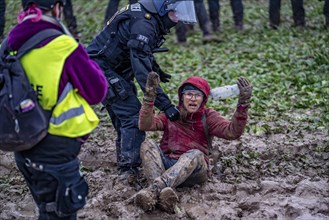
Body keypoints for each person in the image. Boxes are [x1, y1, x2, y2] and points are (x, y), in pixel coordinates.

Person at [8, 0, 107, 219]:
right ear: (56, 8)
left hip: (22, 142)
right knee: (60, 213)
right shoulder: (64, 45)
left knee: (47, 208)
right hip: (56, 144)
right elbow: (97, 91)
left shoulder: (9, 44)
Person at [87, 0, 196, 184]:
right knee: (132, 116)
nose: (177, 20)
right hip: (100, 69)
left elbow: (140, 52)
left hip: (111, 69)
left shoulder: (147, 16)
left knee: (124, 117)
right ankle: (128, 172)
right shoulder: (144, 23)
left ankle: (126, 164)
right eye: (175, 14)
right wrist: (165, 105)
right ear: (163, 9)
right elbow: (142, 72)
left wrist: (155, 67)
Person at [134, 72, 252, 213]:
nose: (193, 99)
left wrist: (243, 105)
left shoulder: (208, 117)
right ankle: (161, 195)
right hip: (168, 166)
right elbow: (145, 125)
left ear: (203, 99)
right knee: (147, 144)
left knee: (195, 154)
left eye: (198, 95)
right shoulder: (172, 114)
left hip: (194, 171)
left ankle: (153, 191)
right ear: (182, 97)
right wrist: (149, 98)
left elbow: (232, 132)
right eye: (189, 94)